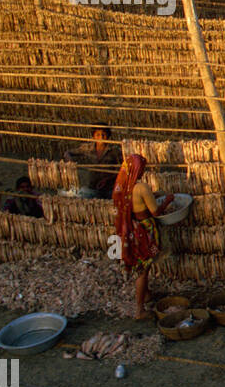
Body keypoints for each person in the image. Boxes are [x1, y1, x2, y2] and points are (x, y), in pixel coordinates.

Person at [113, 154, 173, 320]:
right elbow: (156, 211)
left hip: (130, 231)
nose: (143, 172)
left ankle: (146, 295)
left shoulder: (121, 187)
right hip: (143, 231)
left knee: (141, 265)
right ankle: (139, 310)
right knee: (143, 269)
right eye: (142, 168)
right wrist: (167, 200)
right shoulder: (141, 187)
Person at [63, 125, 123, 198]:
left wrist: (108, 179)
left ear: (108, 136)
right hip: (92, 186)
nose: (101, 137)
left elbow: (121, 168)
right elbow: (68, 153)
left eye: (104, 134)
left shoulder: (115, 151)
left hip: (109, 188)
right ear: (93, 137)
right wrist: (70, 162)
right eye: (98, 135)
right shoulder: (88, 148)